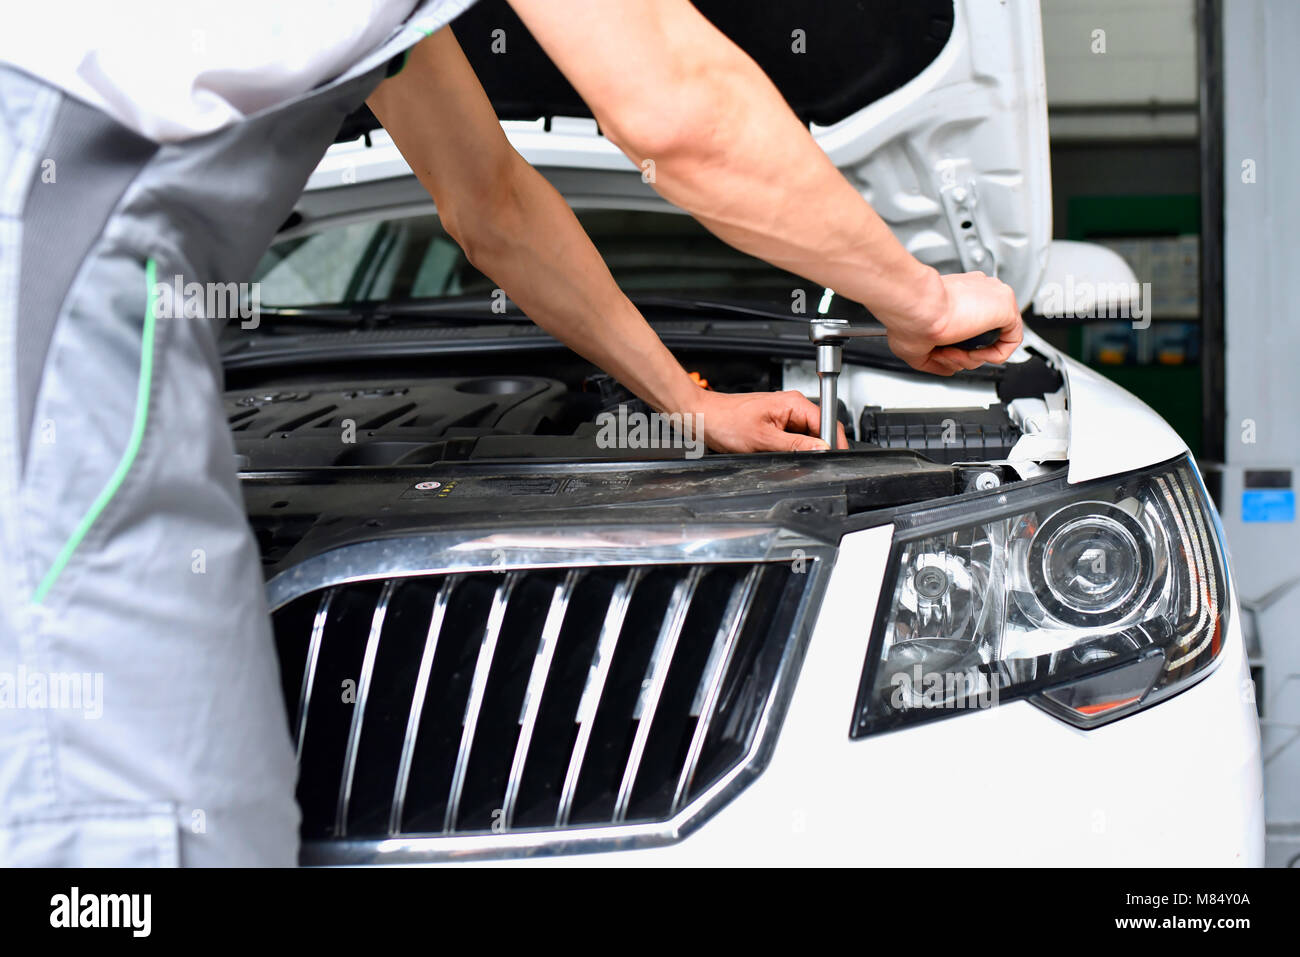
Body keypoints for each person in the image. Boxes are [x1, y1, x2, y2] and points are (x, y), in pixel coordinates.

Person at [0, 0, 1022, 865]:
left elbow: (491, 205)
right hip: (52, 256)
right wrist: (921, 300)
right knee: (144, 813)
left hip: (80, 249)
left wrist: (684, 401)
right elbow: (680, 110)